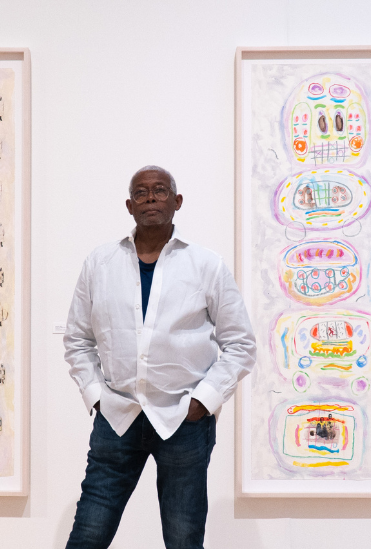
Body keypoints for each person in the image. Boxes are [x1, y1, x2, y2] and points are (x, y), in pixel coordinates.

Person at [63, 165, 256, 549]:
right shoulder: (99, 264)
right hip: (116, 417)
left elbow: (241, 343)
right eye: (141, 192)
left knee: (183, 538)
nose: (151, 197)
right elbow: (77, 339)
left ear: (177, 201)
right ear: (129, 206)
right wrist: (96, 397)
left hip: (184, 420)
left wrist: (205, 400)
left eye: (161, 190)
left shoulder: (207, 265)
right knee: (88, 532)